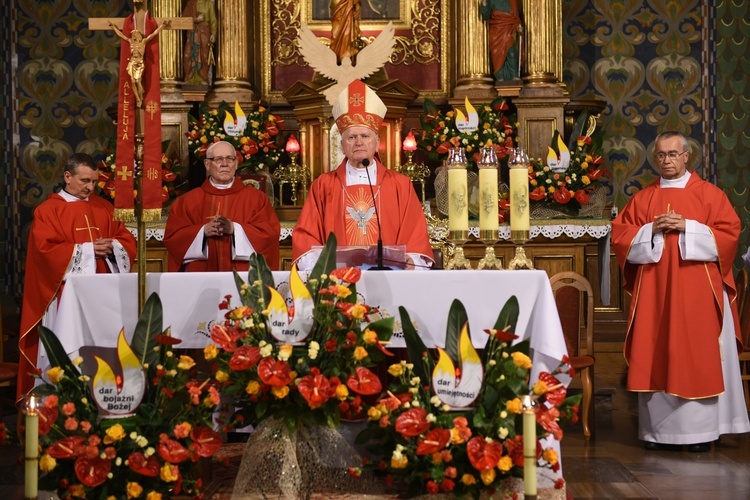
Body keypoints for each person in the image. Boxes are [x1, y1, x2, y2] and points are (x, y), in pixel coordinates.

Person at [611, 131, 750, 452]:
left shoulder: (709, 195)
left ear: (687, 156)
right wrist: (651, 230)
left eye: (673, 154)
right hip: (656, 296)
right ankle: (657, 434)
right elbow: (621, 236)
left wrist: (689, 227)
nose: (666, 161)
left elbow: (729, 236)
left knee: (696, 353)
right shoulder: (643, 199)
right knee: (655, 351)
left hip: (698, 293)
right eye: (661, 155)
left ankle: (700, 434)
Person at [18, 153, 137, 401]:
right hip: (63, 299)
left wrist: (113, 246)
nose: (90, 187)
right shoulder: (48, 211)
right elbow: (45, 252)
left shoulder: (104, 208)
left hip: (103, 299)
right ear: (67, 176)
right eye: (84, 180)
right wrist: (88, 249)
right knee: (67, 352)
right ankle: (61, 407)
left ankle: (106, 402)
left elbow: (126, 240)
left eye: (94, 182)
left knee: (104, 350)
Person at [293, 79, 434, 270]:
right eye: (351, 137)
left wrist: (411, 261)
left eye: (365, 136)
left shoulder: (400, 184)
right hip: (338, 281)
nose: (358, 142)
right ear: (342, 145)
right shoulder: (323, 185)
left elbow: (416, 237)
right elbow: (305, 238)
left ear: (377, 143)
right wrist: (323, 265)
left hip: (390, 281)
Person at [164, 141, 281, 271]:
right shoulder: (187, 201)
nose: (225, 164)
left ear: (236, 164)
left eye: (230, 159)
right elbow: (174, 240)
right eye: (218, 159)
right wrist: (203, 231)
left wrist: (234, 229)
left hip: (244, 277)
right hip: (200, 277)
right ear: (207, 164)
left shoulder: (257, 199)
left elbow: (270, 236)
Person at [110, 18, 170, 107]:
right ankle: (138, 99)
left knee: (138, 81)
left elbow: (153, 34)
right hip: (132, 63)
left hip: (139, 63)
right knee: (133, 82)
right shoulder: (130, 42)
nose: (133, 36)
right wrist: (114, 28)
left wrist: (162, 26)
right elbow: (121, 35)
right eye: (133, 35)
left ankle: (141, 96)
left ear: (138, 35)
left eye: (135, 35)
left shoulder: (143, 42)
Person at [480, 0, 522, 82]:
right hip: (496, 31)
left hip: (508, 30)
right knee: (497, 53)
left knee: (512, 53)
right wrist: (484, 4)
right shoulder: (491, 1)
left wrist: (518, 27)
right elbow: (486, 16)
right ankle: (500, 76)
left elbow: (515, 18)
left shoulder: (512, 1)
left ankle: (514, 75)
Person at [183, 0, 218, 86]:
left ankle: (203, 78)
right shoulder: (190, 3)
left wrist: (213, 34)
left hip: (204, 34)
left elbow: (213, 21)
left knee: (204, 57)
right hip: (192, 33)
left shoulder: (209, 4)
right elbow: (183, 19)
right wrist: (196, 19)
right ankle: (189, 77)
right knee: (188, 55)